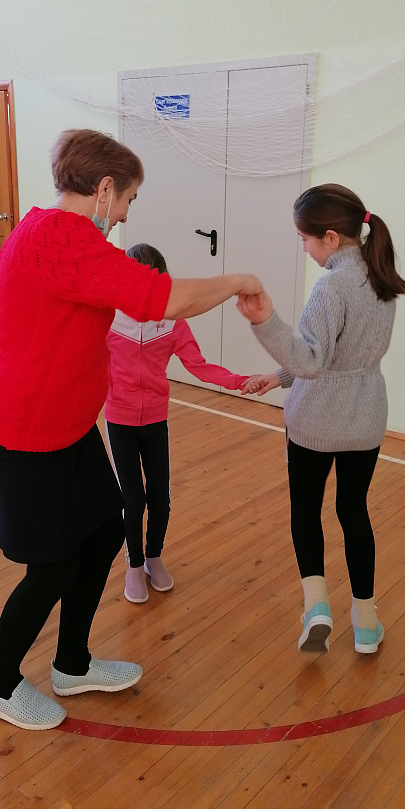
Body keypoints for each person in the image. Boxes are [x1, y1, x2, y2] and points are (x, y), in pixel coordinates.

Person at [0, 128, 264, 730]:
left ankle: (72, 664)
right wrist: (240, 281)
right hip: (24, 436)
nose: (127, 214)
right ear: (104, 188)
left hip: (70, 431)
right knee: (52, 568)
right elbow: (165, 300)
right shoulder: (63, 240)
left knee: (107, 528)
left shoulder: (51, 232)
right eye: (129, 198)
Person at [238, 184, 405, 656]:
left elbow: (314, 362)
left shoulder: (330, 287)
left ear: (331, 238)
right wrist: (277, 377)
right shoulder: (380, 277)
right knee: (354, 512)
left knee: (306, 510)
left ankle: (316, 606)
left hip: (316, 421)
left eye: (305, 239)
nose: (304, 248)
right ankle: (366, 623)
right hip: (366, 417)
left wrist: (265, 322)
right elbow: (339, 357)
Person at [105, 243, 250, 604]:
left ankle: (153, 556)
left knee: (160, 498)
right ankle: (134, 565)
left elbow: (198, 366)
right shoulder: (109, 319)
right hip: (120, 420)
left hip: (155, 420)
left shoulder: (172, 321)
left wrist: (238, 381)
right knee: (133, 500)